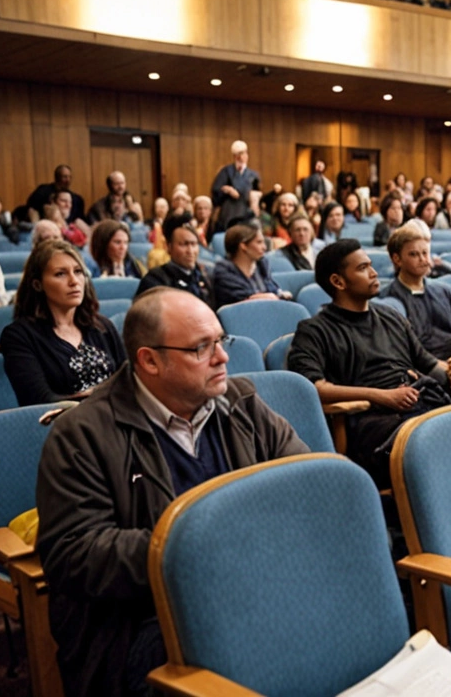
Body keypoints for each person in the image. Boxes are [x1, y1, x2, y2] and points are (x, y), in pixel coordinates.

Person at [35, 288, 308, 696]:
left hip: (255, 586)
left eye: (221, 341)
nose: (223, 358)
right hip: (142, 619)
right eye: (202, 348)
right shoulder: (83, 434)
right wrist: (198, 550)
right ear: (149, 360)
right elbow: (73, 552)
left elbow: (306, 488)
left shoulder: (242, 403)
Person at [286, 240, 451, 486]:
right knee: (442, 443)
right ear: (338, 281)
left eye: (371, 266)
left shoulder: (391, 317)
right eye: (363, 268)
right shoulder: (314, 331)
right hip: (371, 421)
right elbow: (313, 387)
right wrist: (380, 396)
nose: (375, 273)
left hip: (420, 403)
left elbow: (429, 364)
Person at [1, 241, 125, 405]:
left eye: (78, 271)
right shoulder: (19, 336)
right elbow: (40, 400)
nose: (74, 281)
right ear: (38, 284)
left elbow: (128, 382)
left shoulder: (102, 326)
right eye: (60, 274)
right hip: (62, 425)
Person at [383, 229, 451, 361]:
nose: (423, 260)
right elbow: (406, 351)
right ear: (397, 259)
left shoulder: (444, 291)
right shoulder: (390, 300)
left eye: (425, 253)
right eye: (414, 254)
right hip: (429, 365)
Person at [137, 216, 214, 307]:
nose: (190, 251)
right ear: (169, 248)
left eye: (193, 244)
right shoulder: (155, 280)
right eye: (183, 244)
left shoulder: (204, 276)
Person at [212, 223, 288, 306]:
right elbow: (243, 298)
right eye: (259, 242)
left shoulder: (262, 265)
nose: (264, 247)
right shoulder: (223, 272)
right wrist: (269, 297)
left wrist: (279, 294)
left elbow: (273, 288)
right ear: (243, 246)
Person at [209, 140, 261, 233]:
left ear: (247, 155)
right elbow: (216, 190)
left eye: (243, 154)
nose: (241, 157)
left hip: (246, 211)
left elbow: (257, 192)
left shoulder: (253, 175)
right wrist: (229, 191)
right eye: (238, 154)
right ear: (234, 156)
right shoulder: (226, 171)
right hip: (229, 211)